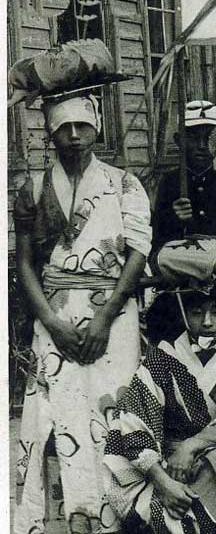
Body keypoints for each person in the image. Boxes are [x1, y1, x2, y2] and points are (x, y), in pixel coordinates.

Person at [11, 41, 152, 534]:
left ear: (97, 127)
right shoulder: (33, 188)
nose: (74, 136)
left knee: (114, 408)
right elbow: (24, 262)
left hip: (113, 314)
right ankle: (74, 514)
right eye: (64, 127)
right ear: (51, 133)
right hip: (55, 315)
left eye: (82, 126)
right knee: (60, 411)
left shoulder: (124, 184)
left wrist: (106, 316)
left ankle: (118, 513)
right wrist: (51, 322)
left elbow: (137, 253)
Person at [104, 243, 216, 534]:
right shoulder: (163, 356)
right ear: (183, 313)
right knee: (120, 450)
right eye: (196, 312)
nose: (207, 322)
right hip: (163, 465)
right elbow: (135, 420)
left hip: (214, 458)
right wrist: (164, 481)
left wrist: (191, 447)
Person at [152, 100, 216, 256]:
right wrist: (174, 219)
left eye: (210, 138)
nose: (202, 145)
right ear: (178, 140)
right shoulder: (169, 184)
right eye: (193, 138)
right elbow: (157, 244)